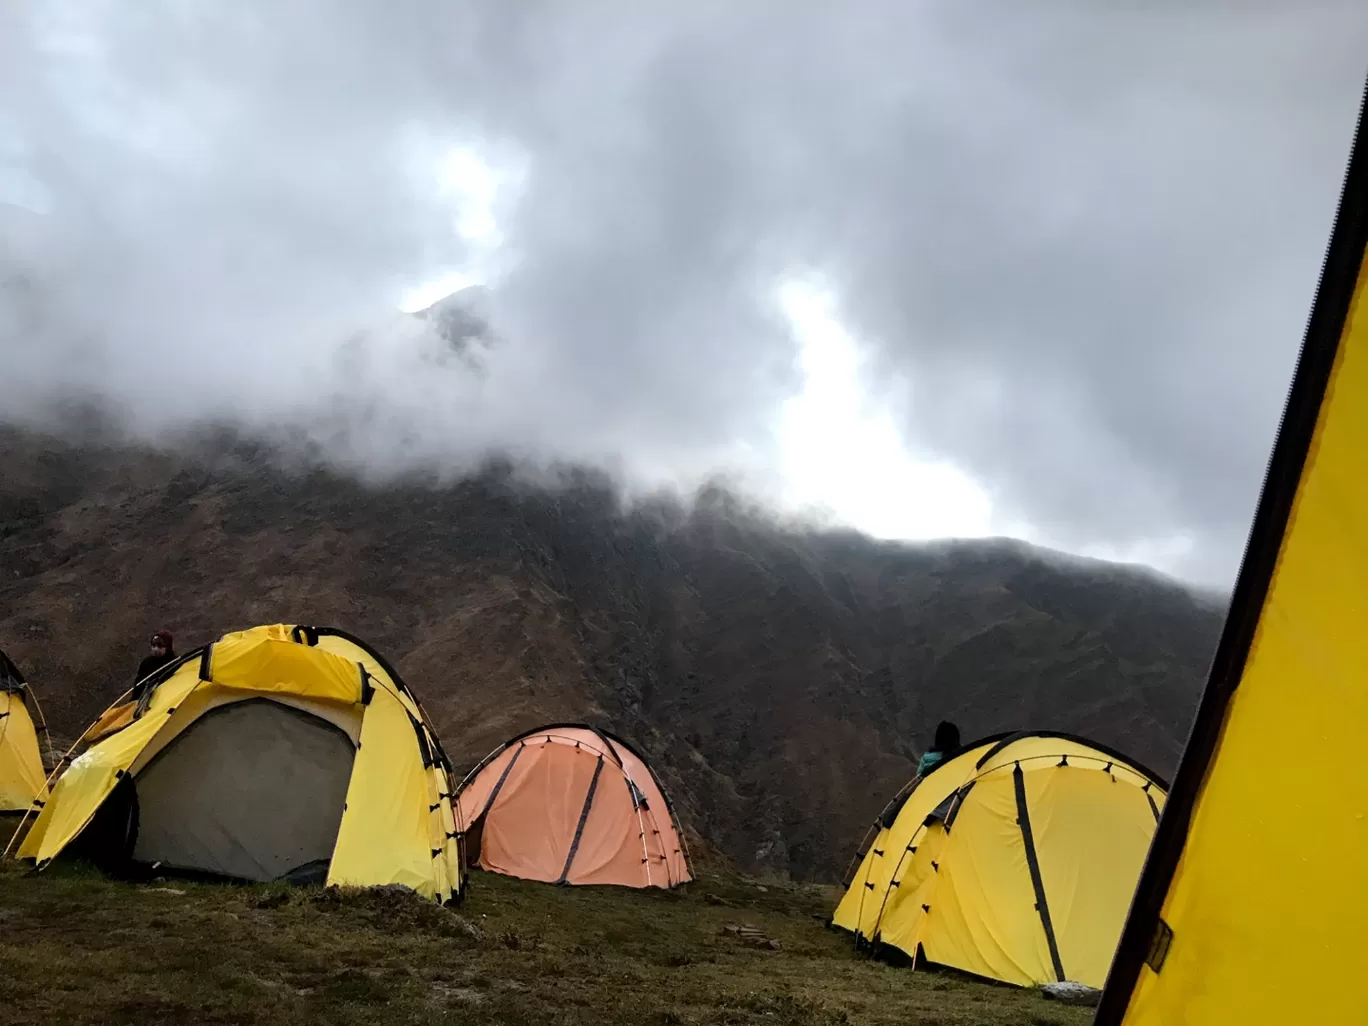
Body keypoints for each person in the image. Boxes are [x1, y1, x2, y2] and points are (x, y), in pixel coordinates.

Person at [132, 630, 177, 697]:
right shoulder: (147, 663)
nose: (156, 649)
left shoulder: (175, 663)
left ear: (168, 647)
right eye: (153, 645)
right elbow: (138, 686)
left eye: (160, 646)